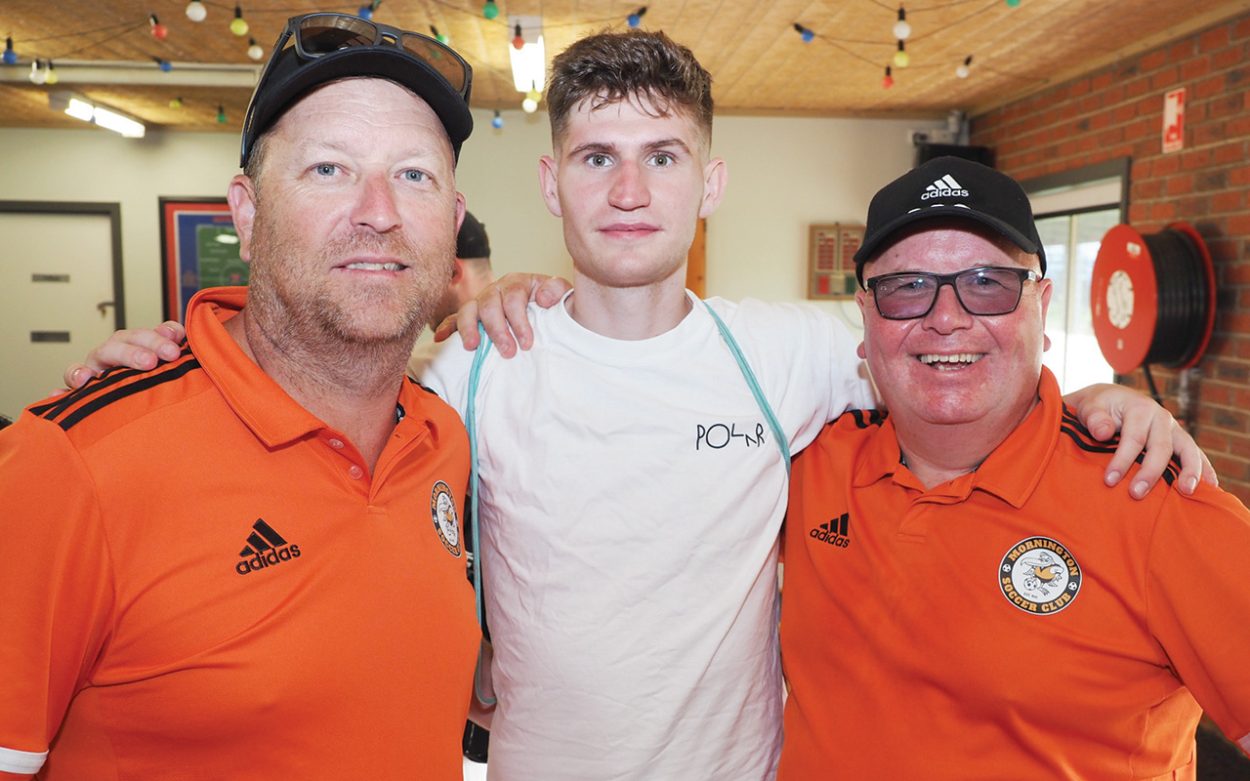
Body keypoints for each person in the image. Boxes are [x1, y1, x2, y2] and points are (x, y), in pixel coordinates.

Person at [67, 32, 1211, 781]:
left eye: (663, 157)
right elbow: (314, 403)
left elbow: (949, 356)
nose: (627, 190)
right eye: (596, 157)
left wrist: (1109, 397)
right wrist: (169, 360)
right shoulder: (470, 367)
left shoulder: (794, 353)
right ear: (548, 181)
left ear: (708, 184)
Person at [0, 13, 479, 780]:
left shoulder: (443, 439)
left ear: (451, 229)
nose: (380, 212)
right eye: (329, 169)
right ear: (248, 215)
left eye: (414, 175)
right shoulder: (74, 466)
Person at [778, 156, 1250, 779]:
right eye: (908, 287)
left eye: (987, 283)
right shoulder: (807, 466)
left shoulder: (1153, 495)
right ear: (864, 318)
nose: (946, 319)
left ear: (1041, 306)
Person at [408, 209, 496, 379]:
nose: (419, 295)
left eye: (422, 277)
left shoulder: (424, 372)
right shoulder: (536, 331)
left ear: (452, 272)